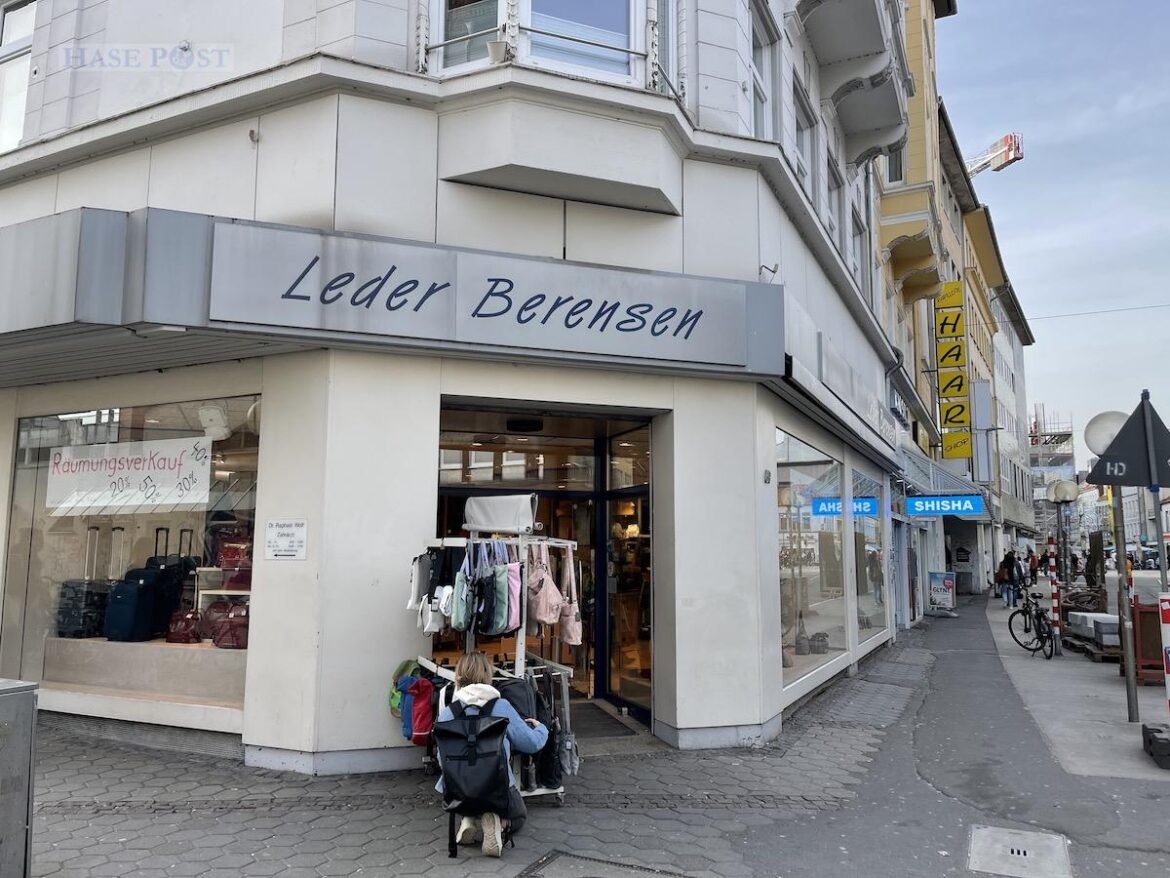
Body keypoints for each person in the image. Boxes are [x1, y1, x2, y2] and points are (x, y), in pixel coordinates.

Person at [435, 652, 548, 858]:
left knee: (467, 789)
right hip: (496, 787)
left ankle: (469, 818)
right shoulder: (500, 707)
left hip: (459, 790)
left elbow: (443, 759)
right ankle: (495, 821)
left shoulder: (449, 712)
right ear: (488, 674)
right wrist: (542, 729)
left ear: (459, 674)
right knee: (519, 817)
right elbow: (530, 744)